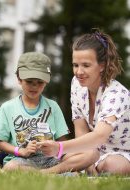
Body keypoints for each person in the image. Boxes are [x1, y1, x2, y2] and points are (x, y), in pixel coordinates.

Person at [38, 29, 130, 175]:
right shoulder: (76, 84)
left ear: (102, 65)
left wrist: (59, 147)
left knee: (111, 166)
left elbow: (99, 135)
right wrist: (88, 161)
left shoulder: (117, 94)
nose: (79, 72)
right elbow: (81, 130)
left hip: (123, 152)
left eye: (86, 65)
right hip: (93, 150)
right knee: (70, 155)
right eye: (75, 65)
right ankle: (72, 168)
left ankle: (50, 172)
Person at [0, 52, 70, 172]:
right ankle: (56, 173)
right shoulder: (7, 107)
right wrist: (21, 151)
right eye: (29, 81)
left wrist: (55, 148)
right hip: (21, 160)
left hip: (52, 159)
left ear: (46, 81)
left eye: (40, 82)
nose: (34, 86)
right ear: (19, 79)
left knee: (86, 155)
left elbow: (62, 141)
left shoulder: (53, 107)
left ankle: (53, 172)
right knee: (10, 167)